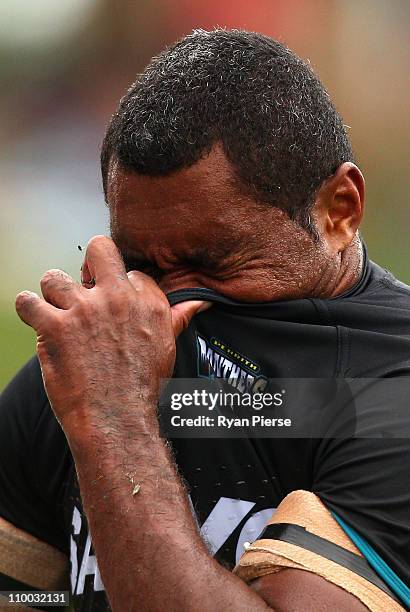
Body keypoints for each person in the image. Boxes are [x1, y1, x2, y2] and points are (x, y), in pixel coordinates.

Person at [1, 29, 409, 611]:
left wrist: (116, 420)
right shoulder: (96, 364)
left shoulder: (390, 392)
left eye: (212, 263)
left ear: (338, 210)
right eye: (141, 264)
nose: (168, 302)